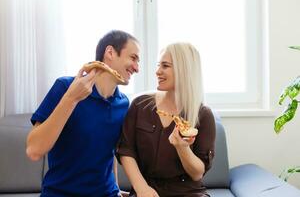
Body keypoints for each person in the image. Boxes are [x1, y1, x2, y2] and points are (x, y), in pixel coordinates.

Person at [26, 30, 140, 197]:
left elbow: (109, 151)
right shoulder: (65, 87)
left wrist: (114, 189)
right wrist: (71, 98)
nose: (137, 68)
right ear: (110, 53)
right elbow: (34, 150)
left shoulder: (123, 104)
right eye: (133, 58)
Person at [116, 42, 216, 197]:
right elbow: (126, 151)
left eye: (165, 66)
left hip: (187, 193)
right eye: (158, 65)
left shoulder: (203, 114)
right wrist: (142, 188)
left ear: (184, 70)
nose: (157, 71)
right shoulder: (140, 105)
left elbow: (197, 174)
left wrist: (182, 148)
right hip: (146, 190)